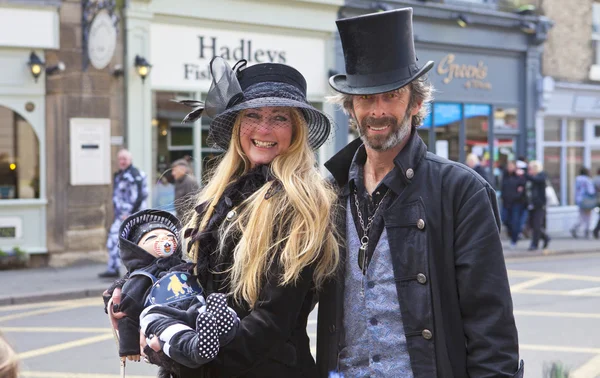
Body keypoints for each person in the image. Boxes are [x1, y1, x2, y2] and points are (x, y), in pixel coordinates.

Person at [319, 8, 522, 378]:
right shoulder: (328, 193)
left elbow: (490, 327)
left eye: (391, 95)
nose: (377, 111)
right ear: (351, 108)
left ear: (415, 104)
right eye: (365, 99)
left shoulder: (461, 191)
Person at [106, 56, 339, 378]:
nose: (263, 129)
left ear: (296, 129)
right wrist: (141, 289)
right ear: (237, 126)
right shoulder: (223, 194)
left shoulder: (302, 204)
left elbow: (271, 322)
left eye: (280, 118)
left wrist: (194, 365)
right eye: (252, 115)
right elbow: (195, 283)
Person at [104, 209, 237, 376]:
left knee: (212, 312)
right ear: (137, 249)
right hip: (162, 314)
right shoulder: (141, 277)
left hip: (193, 306)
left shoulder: (184, 266)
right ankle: (195, 347)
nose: (163, 239)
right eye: (152, 237)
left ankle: (224, 328)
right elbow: (127, 312)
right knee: (170, 329)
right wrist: (129, 346)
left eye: (168, 235)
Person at [99, 149, 149, 278]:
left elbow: (140, 196)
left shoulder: (134, 175)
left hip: (130, 216)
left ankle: (117, 268)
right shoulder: (119, 175)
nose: (122, 161)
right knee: (125, 241)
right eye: (120, 159)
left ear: (130, 160)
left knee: (116, 240)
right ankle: (115, 268)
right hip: (121, 215)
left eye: (124, 159)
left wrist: (131, 214)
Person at [501, 161, 528, 248]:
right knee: (505, 219)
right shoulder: (505, 176)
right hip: (506, 202)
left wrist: (516, 196)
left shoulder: (519, 176)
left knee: (515, 222)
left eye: (511, 166)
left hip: (516, 203)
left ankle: (514, 239)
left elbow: (522, 188)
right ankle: (513, 234)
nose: (510, 168)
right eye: (508, 166)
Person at [526, 160, 550, 251]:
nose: (529, 170)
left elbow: (537, 180)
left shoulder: (542, 176)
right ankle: (545, 237)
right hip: (531, 204)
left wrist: (525, 174)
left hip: (540, 205)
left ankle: (534, 244)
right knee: (532, 225)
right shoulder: (531, 178)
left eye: (530, 169)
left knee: (537, 225)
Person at [570, 167, 596, 239]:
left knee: (581, 216)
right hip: (587, 200)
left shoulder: (577, 179)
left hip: (579, 199)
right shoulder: (587, 180)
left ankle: (575, 228)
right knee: (588, 217)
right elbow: (591, 191)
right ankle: (587, 231)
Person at [592, 168, 600, 239]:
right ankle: (596, 230)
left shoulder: (594, 179)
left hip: (596, 199)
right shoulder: (597, 179)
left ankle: (596, 230)